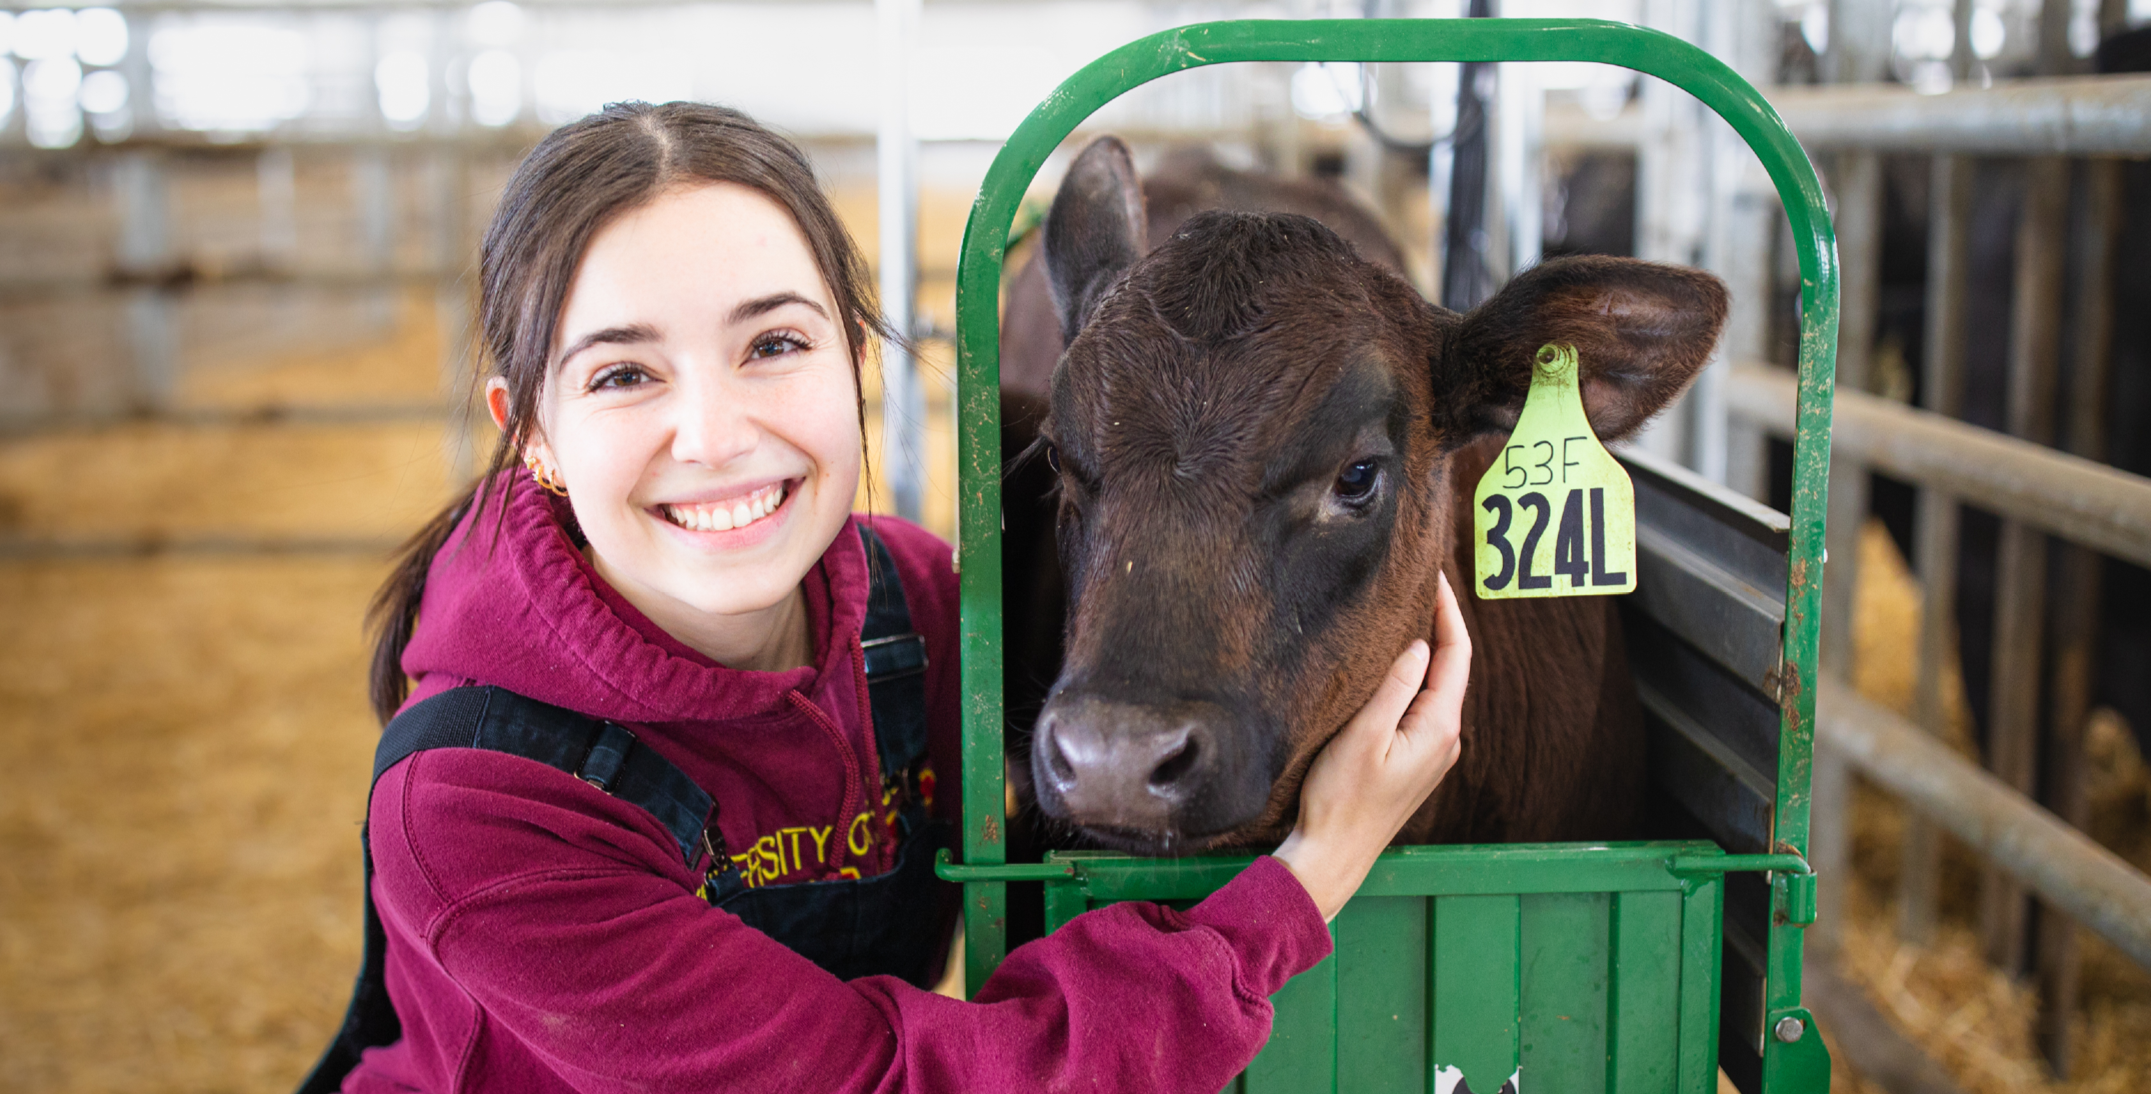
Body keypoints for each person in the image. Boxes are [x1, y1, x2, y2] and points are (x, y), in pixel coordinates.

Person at [307, 100, 1469, 1094]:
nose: (715, 436)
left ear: (854, 362)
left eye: (772, 344)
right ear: (537, 438)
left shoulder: (920, 612)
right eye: (623, 373)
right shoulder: (479, 808)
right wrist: (1305, 879)